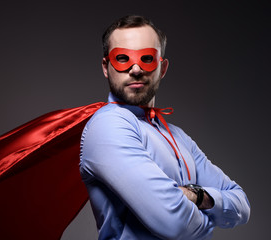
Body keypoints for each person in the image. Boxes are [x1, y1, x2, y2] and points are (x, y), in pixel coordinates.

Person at [79, 15, 250, 240]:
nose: (136, 69)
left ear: (163, 67)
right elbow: (175, 224)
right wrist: (211, 215)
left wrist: (196, 196)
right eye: (122, 58)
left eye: (147, 58)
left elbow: (241, 204)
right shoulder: (108, 126)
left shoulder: (178, 137)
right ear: (105, 66)